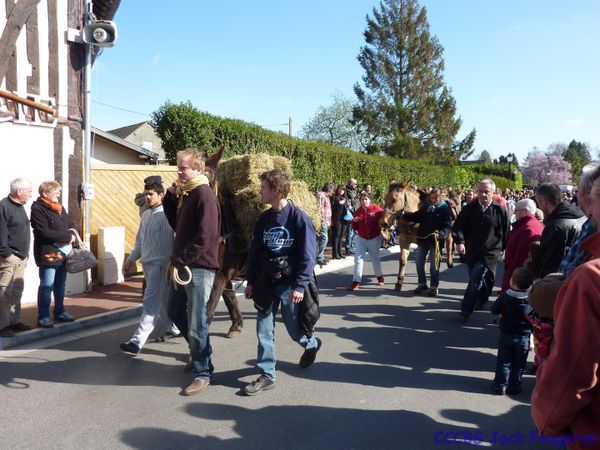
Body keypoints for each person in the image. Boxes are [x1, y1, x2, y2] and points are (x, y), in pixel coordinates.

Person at [531, 169, 600, 448]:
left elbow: (571, 376)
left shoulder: (590, 279)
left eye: (593, 202)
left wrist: (543, 418)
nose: (590, 211)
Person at [243, 169, 321, 396]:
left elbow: (309, 254)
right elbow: (255, 251)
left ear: (275, 191)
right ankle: (267, 373)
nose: (260, 191)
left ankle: (312, 343)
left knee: (294, 329)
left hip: (289, 285)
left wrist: (299, 285)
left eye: (264, 187)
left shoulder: (299, 218)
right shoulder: (264, 219)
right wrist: (250, 281)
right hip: (266, 283)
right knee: (263, 328)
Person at [162, 147, 221, 396]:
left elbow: (206, 237)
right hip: (184, 265)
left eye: (183, 168)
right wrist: (169, 199)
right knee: (174, 310)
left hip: (198, 267)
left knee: (197, 324)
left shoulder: (204, 194)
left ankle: (203, 372)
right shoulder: (187, 194)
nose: (179, 171)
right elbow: (177, 225)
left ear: (198, 169)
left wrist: (182, 259)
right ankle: (201, 354)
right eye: (178, 167)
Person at [119, 179, 174, 355]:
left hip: (161, 265)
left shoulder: (168, 215)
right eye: (146, 194)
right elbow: (140, 242)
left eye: (151, 194)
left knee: (150, 303)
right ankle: (176, 327)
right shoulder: (145, 215)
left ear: (161, 195)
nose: (148, 197)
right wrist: (131, 259)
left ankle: (136, 342)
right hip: (148, 265)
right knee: (163, 302)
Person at [452, 179, 509, 319]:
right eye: (481, 191)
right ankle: (482, 299)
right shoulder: (469, 209)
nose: (483, 195)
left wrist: (505, 248)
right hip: (472, 251)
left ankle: (466, 308)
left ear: (493, 193)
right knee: (481, 279)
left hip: (491, 251)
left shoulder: (499, 209)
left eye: (487, 192)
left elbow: (506, 230)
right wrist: (460, 242)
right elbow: (458, 227)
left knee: (476, 279)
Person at [30, 181, 76, 328]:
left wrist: (73, 232)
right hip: (48, 253)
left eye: (59, 192)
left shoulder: (60, 208)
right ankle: (43, 316)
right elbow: (44, 233)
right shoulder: (38, 209)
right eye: (56, 192)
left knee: (60, 285)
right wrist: (68, 237)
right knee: (46, 286)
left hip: (63, 253)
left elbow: (70, 225)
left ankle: (60, 311)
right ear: (45, 194)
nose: (59, 194)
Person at [490, 267, 534, 396]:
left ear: (513, 283)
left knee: (504, 361)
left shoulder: (505, 296)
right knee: (519, 363)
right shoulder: (531, 298)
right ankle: (515, 386)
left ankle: (500, 385)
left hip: (507, 333)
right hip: (524, 336)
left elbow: (494, 310)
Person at [402, 188, 452, 297]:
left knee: (434, 267)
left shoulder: (445, 209)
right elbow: (415, 217)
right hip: (423, 240)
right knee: (419, 263)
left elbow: (448, 226)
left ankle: (434, 287)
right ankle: (422, 284)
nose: (433, 199)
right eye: (432, 197)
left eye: (436, 198)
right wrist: (403, 213)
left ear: (440, 198)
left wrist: (441, 234)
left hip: (436, 242)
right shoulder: (425, 208)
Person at [0, 178, 33, 337]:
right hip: (9, 257)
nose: (30, 194)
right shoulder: (4, 206)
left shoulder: (20, 207)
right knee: (5, 290)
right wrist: (7, 254)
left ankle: (15, 321)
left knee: (17, 290)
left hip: (21, 257)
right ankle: (2, 325)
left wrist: (24, 255)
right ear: (19, 191)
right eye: (28, 191)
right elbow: (1, 234)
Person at [557, 162, 599, 277]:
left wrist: (547, 286)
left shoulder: (592, 227)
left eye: (578, 189)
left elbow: (569, 275)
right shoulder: (588, 223)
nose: (576, 194)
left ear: (589, 195)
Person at [535, 183, 585, 277]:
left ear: (543, 202)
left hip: (559, 280)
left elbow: (550, 264)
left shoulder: (555, 227)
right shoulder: (581, 216)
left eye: (538, 202)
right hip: (577, 277)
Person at [500, 198, 544, 293]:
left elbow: (521, 259)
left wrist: (509, 279)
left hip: (518, 279)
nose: (515, 214)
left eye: (516, 211)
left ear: (526, 211)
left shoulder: (528, 229)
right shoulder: (530, 225)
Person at [347, 191, 385, 291]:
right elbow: (354, 227)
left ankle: (379, 276)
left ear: (369, 200)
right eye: (362, 200)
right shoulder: (358, 211)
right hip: (361, 237)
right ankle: (356, 281)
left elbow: (385, 219)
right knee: (358, 259)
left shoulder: (377, 209)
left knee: (375, 258)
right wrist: (354, 222)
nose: (364, 201)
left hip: (374, 237)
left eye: (366, 199)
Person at [315, 182, 334, 265]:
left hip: (326, 221)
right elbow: (319, 208)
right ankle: (318, 257)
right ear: (329, 189)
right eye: (332, 189)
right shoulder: (321, 195)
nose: (333, 192)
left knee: (322, 238)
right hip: (322, 220)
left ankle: (321, 256)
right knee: (324, 238)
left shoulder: (327, 197)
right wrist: (321, 220)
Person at [330, 184, 349, 260]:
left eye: (343, 190)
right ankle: (335, 253)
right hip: (336, 219)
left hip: (344, 219)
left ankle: (340, 252)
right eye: (340, 189)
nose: (342, 191)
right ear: (337, 190)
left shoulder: (345, 198)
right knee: (336, 235)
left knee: (341, 236)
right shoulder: (334, 197)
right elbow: (331, 207)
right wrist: (339, 203)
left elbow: (347, 208)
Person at [344, 178, 359, 255]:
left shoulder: (355, 191)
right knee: (350, 232)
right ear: (350, 183)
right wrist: (358, 196)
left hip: (356, 212)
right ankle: (348, 248)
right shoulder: (347, 190)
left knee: (355, 232)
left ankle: (352, 247)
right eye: (355, 184)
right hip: (351, 213)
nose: (356, 185)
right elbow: (352, 198)